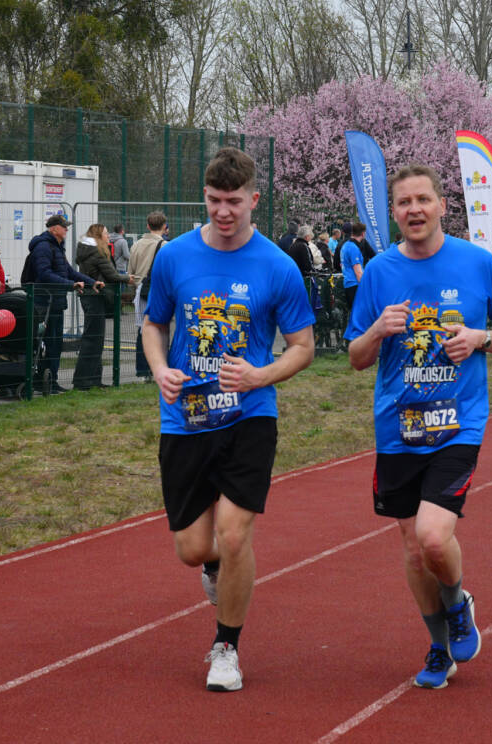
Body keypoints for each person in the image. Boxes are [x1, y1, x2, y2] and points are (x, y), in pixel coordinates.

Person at [140, 146, 315, 692]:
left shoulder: (277, 265)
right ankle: (215, 568)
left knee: (235, 536)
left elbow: (303, 346)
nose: (223, 211)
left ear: (254, 200)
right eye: (214, 200)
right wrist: (160, 369)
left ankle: (226, 649)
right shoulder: (174, 257)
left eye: (233, 201)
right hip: (185, 418)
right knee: (194, 549)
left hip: (248, 417)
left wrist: (261, 376)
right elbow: (154, 324)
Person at [346, 164, 492, 690]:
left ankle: (457, 601)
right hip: (397, 429)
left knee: (431, 536)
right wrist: (377, 330)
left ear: (443, 205)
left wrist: (479, 338)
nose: (414, 210)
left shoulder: (477, 262)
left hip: (457, 424)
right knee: (412, 547)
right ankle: (438, 647)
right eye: (404, 202)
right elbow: (356, 357)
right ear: (393, 212)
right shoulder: (378, 271)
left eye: (423, 199)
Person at [26, 214, 100, 393]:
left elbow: (69, 271)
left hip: (56, 302)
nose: (67, 229)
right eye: (63, 226)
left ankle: (51, 381)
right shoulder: (44, 247)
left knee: (55, 344)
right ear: (53, 229)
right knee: (47, 343)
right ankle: (43, 381)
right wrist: (69, 285)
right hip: (45, 302)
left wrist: (91, 282)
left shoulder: (57, 247)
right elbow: (44, 273)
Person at [75, 223, 131, 390]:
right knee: (93, 339)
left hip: (89, 296)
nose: (108, 237)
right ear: (99, 236)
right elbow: (111, 275)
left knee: (94, 338)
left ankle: (93, 379)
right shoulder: (97, 252)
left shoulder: (86, 251)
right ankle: (84, 381)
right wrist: (127, 278)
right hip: (95, 296)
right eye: (106, 234)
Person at [127, 212, 168, 378]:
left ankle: (143, 369)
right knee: (160, 329)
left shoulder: (136, 245)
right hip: (158, 291)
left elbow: (130, 272)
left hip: (140, 290)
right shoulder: (166, 246)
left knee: (142, 330)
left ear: (147, 226)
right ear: (164, 226)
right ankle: (159, 367)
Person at [340, 221, 366, 325]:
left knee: (355, 317)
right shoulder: (353, 248)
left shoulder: (345, 245)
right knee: (360, 318)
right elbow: (358, 272)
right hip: (355, 285)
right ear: (363, 234)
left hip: (348, 283)